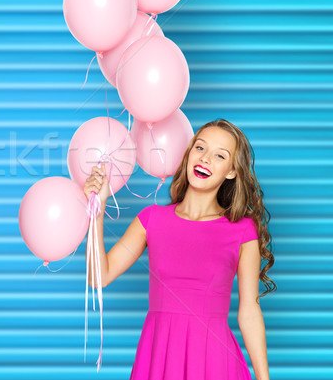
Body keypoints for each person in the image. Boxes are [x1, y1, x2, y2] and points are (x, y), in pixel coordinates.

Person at [83, 118, 275, 380]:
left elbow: (249, 312)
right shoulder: (151, 219)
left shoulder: (242, 230)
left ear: (231, 171)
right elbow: (99, 276)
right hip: (158, 355)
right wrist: (98, 207)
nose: (205, 159)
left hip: (214, 360)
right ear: (188, 154)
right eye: (200, 148)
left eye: (220, 155)